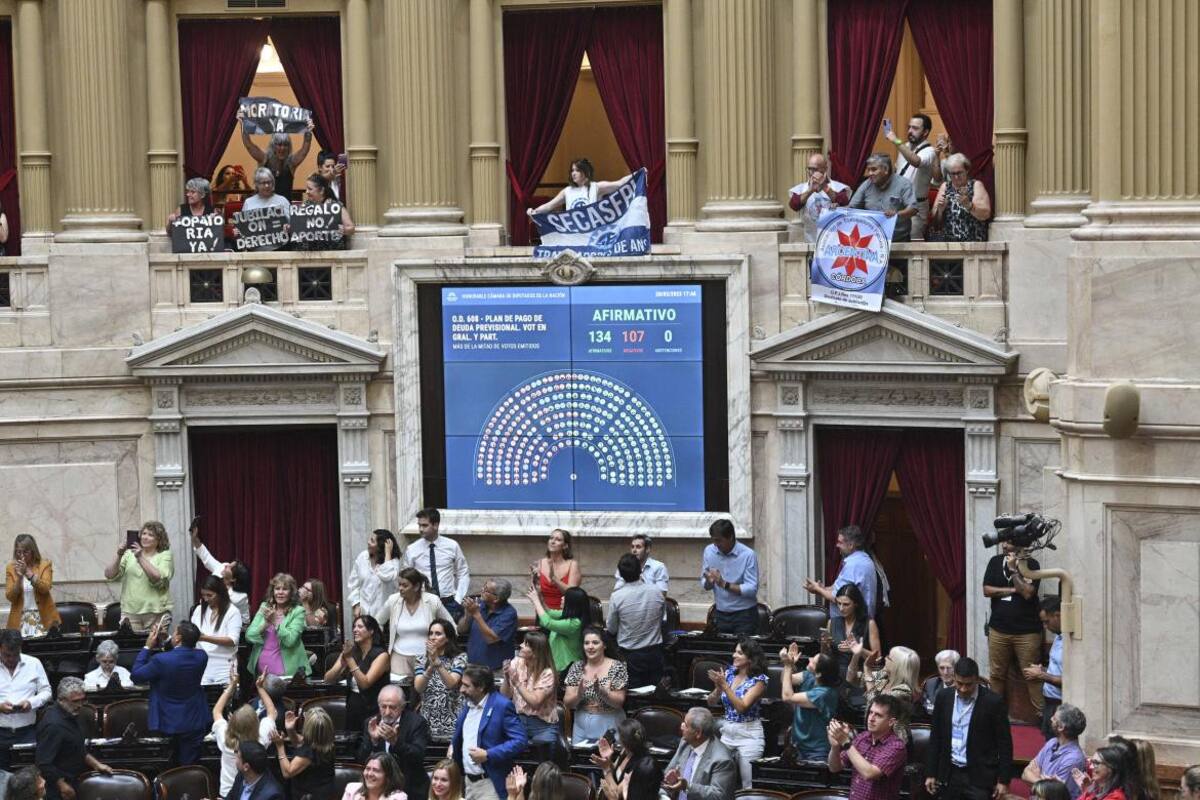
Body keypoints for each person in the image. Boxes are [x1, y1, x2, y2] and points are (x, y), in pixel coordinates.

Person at [925, 656, 1013, 800]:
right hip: (949, 773)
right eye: (959, 683)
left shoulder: (993, 702)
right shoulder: (944, 697)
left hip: (979, 777)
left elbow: (1005, 744)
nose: (963, 689)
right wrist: (931, 772)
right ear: (954, 678)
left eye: (969, 684)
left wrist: (1004, 780)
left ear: (977, 680)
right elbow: (935, 737)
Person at [131, 619, 209, 766]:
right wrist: (166, 638)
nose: (172, 635)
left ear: (178, 638)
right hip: (194, 719)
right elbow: (178, 653)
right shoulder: (202, 656)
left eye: (174, 633)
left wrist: (147, 647)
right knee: (189, 767)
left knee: (168, 766)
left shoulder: (160, 660)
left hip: (167, 720)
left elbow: (136, 676)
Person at [982, 540, 1043, 714]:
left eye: (1008, 542)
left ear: (1019, 544)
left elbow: (1027, 593)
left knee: (1032, 675)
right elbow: (987, 590)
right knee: (996, 675)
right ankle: (995, 715)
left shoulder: (1031, 564)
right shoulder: (995, 561)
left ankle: (1043, 717)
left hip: (1027, 632)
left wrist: (1013, 571)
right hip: (998, 629)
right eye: (1003, 541)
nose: (1003, 545)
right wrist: (1013, 590)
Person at [452, 665, 527, 800]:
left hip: (490, 783)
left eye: (466, 686)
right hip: (467, 782)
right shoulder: (468, 704)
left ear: (481, 687)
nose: (461, 689)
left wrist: (488, 754)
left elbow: (520, 741)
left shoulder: (502, 705)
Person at [35, 676, 113, 800]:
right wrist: (62, 786)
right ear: (61, 700)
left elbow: (77, 748)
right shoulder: (53, 725)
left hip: (75, 778)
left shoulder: (71, 714)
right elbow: (43, 763)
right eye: (75, 701)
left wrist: (97, 764)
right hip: (59, 789)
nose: (80, 705)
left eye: (82, 700)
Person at [706, 638, 768, 789]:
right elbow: (711, 702)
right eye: (735, 651)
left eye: (739, 653)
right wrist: (718, 688)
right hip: (727, 733)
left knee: (748, 785)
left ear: (750, 658)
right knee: (718, 782)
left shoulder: (759, 681)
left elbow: (742, 707)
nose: (734, 655)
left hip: (749, 735)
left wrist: (725, 686)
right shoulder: (729, 674)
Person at [826, 694, 908, 800]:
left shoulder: (896, 746)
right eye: (870, 712)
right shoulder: (862, 737)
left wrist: (846, 743)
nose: (871, 718)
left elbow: (869, 773)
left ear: (891, 722)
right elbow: (834, 768)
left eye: (878, 715)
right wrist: (835, 747)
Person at [356, 684, 431, 800]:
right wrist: (373, 741)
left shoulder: (417, 723)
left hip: (410, 787)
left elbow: (418, 756)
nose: (387, 712)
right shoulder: (371, 723)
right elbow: (361, 759)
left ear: (402, 706)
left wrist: (396, 742)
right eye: (383, 707)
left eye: (392, 707)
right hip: (379, 789)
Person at [212, 671, 278, 799]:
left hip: (227, 792)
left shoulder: (225, 739)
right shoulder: (260, 739)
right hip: (244, 793)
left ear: (232, 723)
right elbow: (272, 712)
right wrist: (260, 688)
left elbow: (217, 711)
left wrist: (232, 685)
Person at [383, 567, 454, 679]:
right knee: (399, 688)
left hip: (427, 656)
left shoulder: (432, 601)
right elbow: (377, 622)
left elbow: (451, 626)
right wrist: (380, 646)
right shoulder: (393, 600)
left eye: (405, 585)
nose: (400, 588)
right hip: (399, 656)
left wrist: (441, 646)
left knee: (425, 688)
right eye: (399, 585)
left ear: (416, 587)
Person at [607, 553, 666, 688]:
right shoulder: (657, 592)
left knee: (633, 696)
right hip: (655, 653)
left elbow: (611, 628)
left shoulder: (617, 597)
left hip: (630, 656)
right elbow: (662, 619)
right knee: (655, 695)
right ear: (640, 570)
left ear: (621, 574)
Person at [104, 520, 174, 632]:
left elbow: (157, 577)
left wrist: (140, 557)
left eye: (151, 535)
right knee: (132, 643)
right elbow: (109, 574)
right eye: (144, 533)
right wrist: (119, 554)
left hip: (156, 612)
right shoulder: (129, 554)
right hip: (130, 612)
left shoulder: (165, 555)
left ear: (159, 539)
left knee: (155, 643)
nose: (145, 537)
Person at [805, 525, 885, 621]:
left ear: (851, 545)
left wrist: (817, 589)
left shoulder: (854, 565)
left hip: (851, 625)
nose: (837, 545)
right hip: (858, 622)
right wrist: (823, 588)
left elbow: (837, 597)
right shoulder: (863, 559)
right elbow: (841, 589)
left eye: (840, 542)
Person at [325, 615, 390, 733]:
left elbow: (365, 684)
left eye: (360, 627)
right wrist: (341, 664)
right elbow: (328, 679)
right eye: (354, 627)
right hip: (353, 705)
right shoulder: (352, 651)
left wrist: (350, 659)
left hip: (373, 707)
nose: (355, 630)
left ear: (371, 631)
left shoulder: (381, 655)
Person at [563, 626, 628, 742]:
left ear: (604, 645)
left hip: (609, 722)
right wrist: (579, 694)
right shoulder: (576, 667)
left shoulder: (617, 666)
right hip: (581, 724)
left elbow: (619, 702)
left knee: (607, 753)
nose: (590, 647)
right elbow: (567, 703)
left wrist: (603, 693)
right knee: (579, 753)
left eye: (595, 643)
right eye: (586, 643)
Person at [661, 707, 738, 800]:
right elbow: (667, 774)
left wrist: (687, 787)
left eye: (685, 725)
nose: (681, 726)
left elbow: (719, 796)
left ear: (698, 733)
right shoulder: (685, 742)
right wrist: (668, 782)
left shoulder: (722, 760)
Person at [0, 629, 51, 772]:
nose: (11, 659)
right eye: (6, 655)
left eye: (15, 655)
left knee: (28, 776)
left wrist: (31, 703)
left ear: (20, 648)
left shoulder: (33, 663)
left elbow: (47, 691)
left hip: (27, 732)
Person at [407, 508, 471, 621]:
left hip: (449, 603)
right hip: (423, 603)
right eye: (419, 525)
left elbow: (463, 573)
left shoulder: (452, 546)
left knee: (450, 631)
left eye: (424, 525)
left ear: (435, 525)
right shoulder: (412, 549)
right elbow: (407, 577)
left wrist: (458, 599)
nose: (420, 529)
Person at [780, 642, 840, 762]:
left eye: (813, 661)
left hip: (816, 751)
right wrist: (790, 664)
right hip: (798, 748)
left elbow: (787, 697)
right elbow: (785, 680)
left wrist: (787, 666)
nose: (809, 659)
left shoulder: (824, 694)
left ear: (819, 673)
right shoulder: (809, 676)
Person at [846, 644, 919, 741]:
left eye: (889, 657)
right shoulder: (883, 676)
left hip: (894, 742)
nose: (885, 658)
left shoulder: (903, 691)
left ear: (897, 666)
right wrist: (856, 655)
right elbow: (851, 678)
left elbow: (874, 704)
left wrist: (867, 669)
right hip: (876, 737)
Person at [700, 519, 760, 636]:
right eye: (713, 540)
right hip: (720, 613)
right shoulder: (709, 551)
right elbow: (705, 583)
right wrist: (709, 582)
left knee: (743, 648)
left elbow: (752, 589)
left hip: (744, 615)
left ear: (731, 537)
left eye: (719, 540)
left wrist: (724, 584)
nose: (716, 544)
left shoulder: (748, 555)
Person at [237, 109, 314, 199]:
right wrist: (243, 124)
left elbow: (304, 151)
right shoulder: (264, 159)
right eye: (279, 144)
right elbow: (249, 145)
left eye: (285, 145)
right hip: (264, 205)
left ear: (289, 147)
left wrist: (308, 131)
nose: (282, 148)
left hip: (284, 206)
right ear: (273, 146)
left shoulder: (291, 164)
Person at [500, 630, 559, 746]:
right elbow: (505, 696)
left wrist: (517, 683)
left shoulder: (548, 673)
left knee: (542, 750)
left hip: (542, 726)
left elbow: (535, 703)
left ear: (536, 652)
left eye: (526, 644)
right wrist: (507, 677)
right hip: (519, 720)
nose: (521, 645)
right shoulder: (517, 662)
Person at [882, 114, 936, 239]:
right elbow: (898, 171)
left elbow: (916, 161)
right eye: (909, 127)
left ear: (925, 132)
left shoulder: (930, 151)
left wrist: (895, 140)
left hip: (916, 208)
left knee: (914, 245)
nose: (910, 131)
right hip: (897, 205)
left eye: (915, 128)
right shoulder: (905, 147)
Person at [827, 584, 880, 708]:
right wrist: (824, 645)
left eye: (846, 604)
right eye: (839, 603)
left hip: (860, 676)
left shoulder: (869, 624)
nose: (841, 608)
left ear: (856, 604)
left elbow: (877, 659)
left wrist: (858, 650)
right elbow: (826, 656)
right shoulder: (832, 622)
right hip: (836, 675)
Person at [246, 573, 310, 678]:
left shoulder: (298, 611)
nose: (280, 592)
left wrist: (275, 622)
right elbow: (249, 636)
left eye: (285, 589)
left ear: (291, 592)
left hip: (287, 673)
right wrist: (265, 624)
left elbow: (290, 641)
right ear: (273, 591)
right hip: (261, 673)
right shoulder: (265, 607)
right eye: (277, 588)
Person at [190, 520, 252, 625]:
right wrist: (194, 539)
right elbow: (206, 557)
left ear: (233, 579)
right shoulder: (221, 568)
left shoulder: (239, 597)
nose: (226, 565)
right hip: (207, 617)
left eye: (230, 567)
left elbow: (244, 621)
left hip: (227, 626)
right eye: (230, 563)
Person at [415, 618, 468, 740]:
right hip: (428, 717)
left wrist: (438, 664)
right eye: (431, 633)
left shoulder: (460, 658)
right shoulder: (421, 659)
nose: (433, 637)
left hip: (452, 716)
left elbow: (451, 683)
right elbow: (418, 687)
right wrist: (430, 667)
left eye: (438, 634)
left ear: (447, 638)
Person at [1023, 704, 1087, 800]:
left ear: (1061, 727)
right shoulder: (1052, 743)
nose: (1051, 719)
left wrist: (1036, 778)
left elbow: (1053, 795)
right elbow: (1025, 774)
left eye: (1054, 718)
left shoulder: (1073, 759)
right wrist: (1042, 781)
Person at [848, 153, 918, 241]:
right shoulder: (866, 184)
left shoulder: (904, 184)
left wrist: (896, 214)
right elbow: (851, 208)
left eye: (874, 169)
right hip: (872, 239)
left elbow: (913, 209)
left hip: (898, 239)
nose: (870, 173)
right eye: (868, 170)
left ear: (886, 169)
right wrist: (836, 209)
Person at [526, 158, 634, 215]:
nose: (573, 173)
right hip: (573, 236)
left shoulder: (596, 187)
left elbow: (619, 183)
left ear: (585, 172)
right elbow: (549, 206)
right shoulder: (567, 191)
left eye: (577, 170)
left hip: (592, 236)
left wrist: (637, 174)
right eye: (572, 170)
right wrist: (535, 211)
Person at [271, 707, 336, 800]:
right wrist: (290, 730)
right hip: (324, 792)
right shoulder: (326, 742)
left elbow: (287, 772)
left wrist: (280, 746)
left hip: (309, 796)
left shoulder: (308, 753)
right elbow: (299, 744)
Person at [1023, 595, 1064, 738]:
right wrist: (1043, 670)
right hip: (1049, 701)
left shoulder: (1071, 643)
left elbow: (1070, 680)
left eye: (1047, 622)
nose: (1045, 627)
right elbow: (1057, 671)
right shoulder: (1059, 637)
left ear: (1057, 615)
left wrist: (1041, 675)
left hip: (1060, 704)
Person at [593, 718, 663, 800]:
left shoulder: (641, 766)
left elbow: (616, 795)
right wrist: (608, 761)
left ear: (624, 741)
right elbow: (615, 773)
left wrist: (606, 769)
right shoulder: (625, 752)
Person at [789, 152, 851, 242]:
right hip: (810, 239)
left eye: (815, 169)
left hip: (832, 241)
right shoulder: (801, 188)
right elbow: (794, 205)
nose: (811, 173)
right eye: (809, 169)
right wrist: (810, 190)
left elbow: (844, 202)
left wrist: (825, 187)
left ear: (825, 169)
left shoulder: (837, 187)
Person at [192, 575, 241, 686]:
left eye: (209, 595)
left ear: (220, 593)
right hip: (202, 664)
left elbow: (232, 641)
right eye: (203, 595)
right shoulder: (198, 610)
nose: (205, 599)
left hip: (224, 665)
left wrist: (204, 638)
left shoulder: (232, 612)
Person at [6, 535, 60, 635]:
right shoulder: (11, 568)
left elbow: (45, 588)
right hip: (19, 620)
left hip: (42, 618)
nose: (21, 556)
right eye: (18, 552)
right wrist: (19, 578)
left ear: (33, 551)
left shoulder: (44, 565)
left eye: (25, 552)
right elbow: (10, 597)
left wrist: (27, 572)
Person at [459, 579, 518, 671]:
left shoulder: (509, 614)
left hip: (496, 670)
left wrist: (476, 614)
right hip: (472, 667)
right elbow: (461, 630)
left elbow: (491, 639)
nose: (481, 590)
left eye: (486, 590)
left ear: (496, 599)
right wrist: (467, 613)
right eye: (483, 587)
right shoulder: (479, 605)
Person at [931, 153, 990, 242]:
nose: (956, 177)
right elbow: (935, 220)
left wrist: (969, 206)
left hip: (973, 242)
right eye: (953, 173)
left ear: (966, 170)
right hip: (949, 243)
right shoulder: (945, 187)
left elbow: (985, 214)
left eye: (959, 173)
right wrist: (940, 211)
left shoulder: (975, 185)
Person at [349, 529, 404, 622]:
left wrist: (387, 553)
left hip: (384, 616)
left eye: (372, 541)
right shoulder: (363, 557)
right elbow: (353, 584)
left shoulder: (394, 562)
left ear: (381, 546)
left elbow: (387, 576)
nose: (368, 542)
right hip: (363, 614)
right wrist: (356, 604)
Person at [528, 584, 586, 673]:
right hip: (558, 666)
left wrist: (536, 601)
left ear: (572, 602)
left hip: (568, 669)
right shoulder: (566, 614)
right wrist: (540, 598)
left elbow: (547, 622)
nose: (562, 598)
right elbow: (549, 613)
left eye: (565, 597)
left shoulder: (575, 623)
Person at [298, 173, 355, 247]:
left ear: (321, 190)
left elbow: (351, 228)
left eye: (310, 189)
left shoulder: (335, 206)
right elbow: (299, 225)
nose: (307, 191)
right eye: (307, 188)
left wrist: (342, 230)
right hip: (311, 250)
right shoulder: (306, 205)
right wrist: (291, 227)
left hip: (332, 250)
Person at [530, 528, 581, 611]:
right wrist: (534, 580)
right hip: (543, 613)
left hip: (565, 613)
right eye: (551, 538)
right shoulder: (539, 563)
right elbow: (534, 595)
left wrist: (554, 578)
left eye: (558, 540)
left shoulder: (573, 565)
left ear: (565, 545)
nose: (553, 542)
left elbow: (572, 595)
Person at [1073, 746, 1140, 800]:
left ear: (1111, 768)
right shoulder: (1097, 789)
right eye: (1092, 762)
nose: (1091, 767)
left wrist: (1088, 792)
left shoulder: (1116, 797)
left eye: (1096, 763)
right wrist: (1088, 789)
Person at [342, 751, 409, 800]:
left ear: (388, 776)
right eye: (367, 768)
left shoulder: (398, 797)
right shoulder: (351, 789)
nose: (369, 774)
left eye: (376, 770)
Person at [921, 650, 960, 716]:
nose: (945, 672)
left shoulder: (963, 686)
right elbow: (927, 710)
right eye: (942, 668)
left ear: (957, 668)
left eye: (949, 668)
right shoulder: (931, 684)